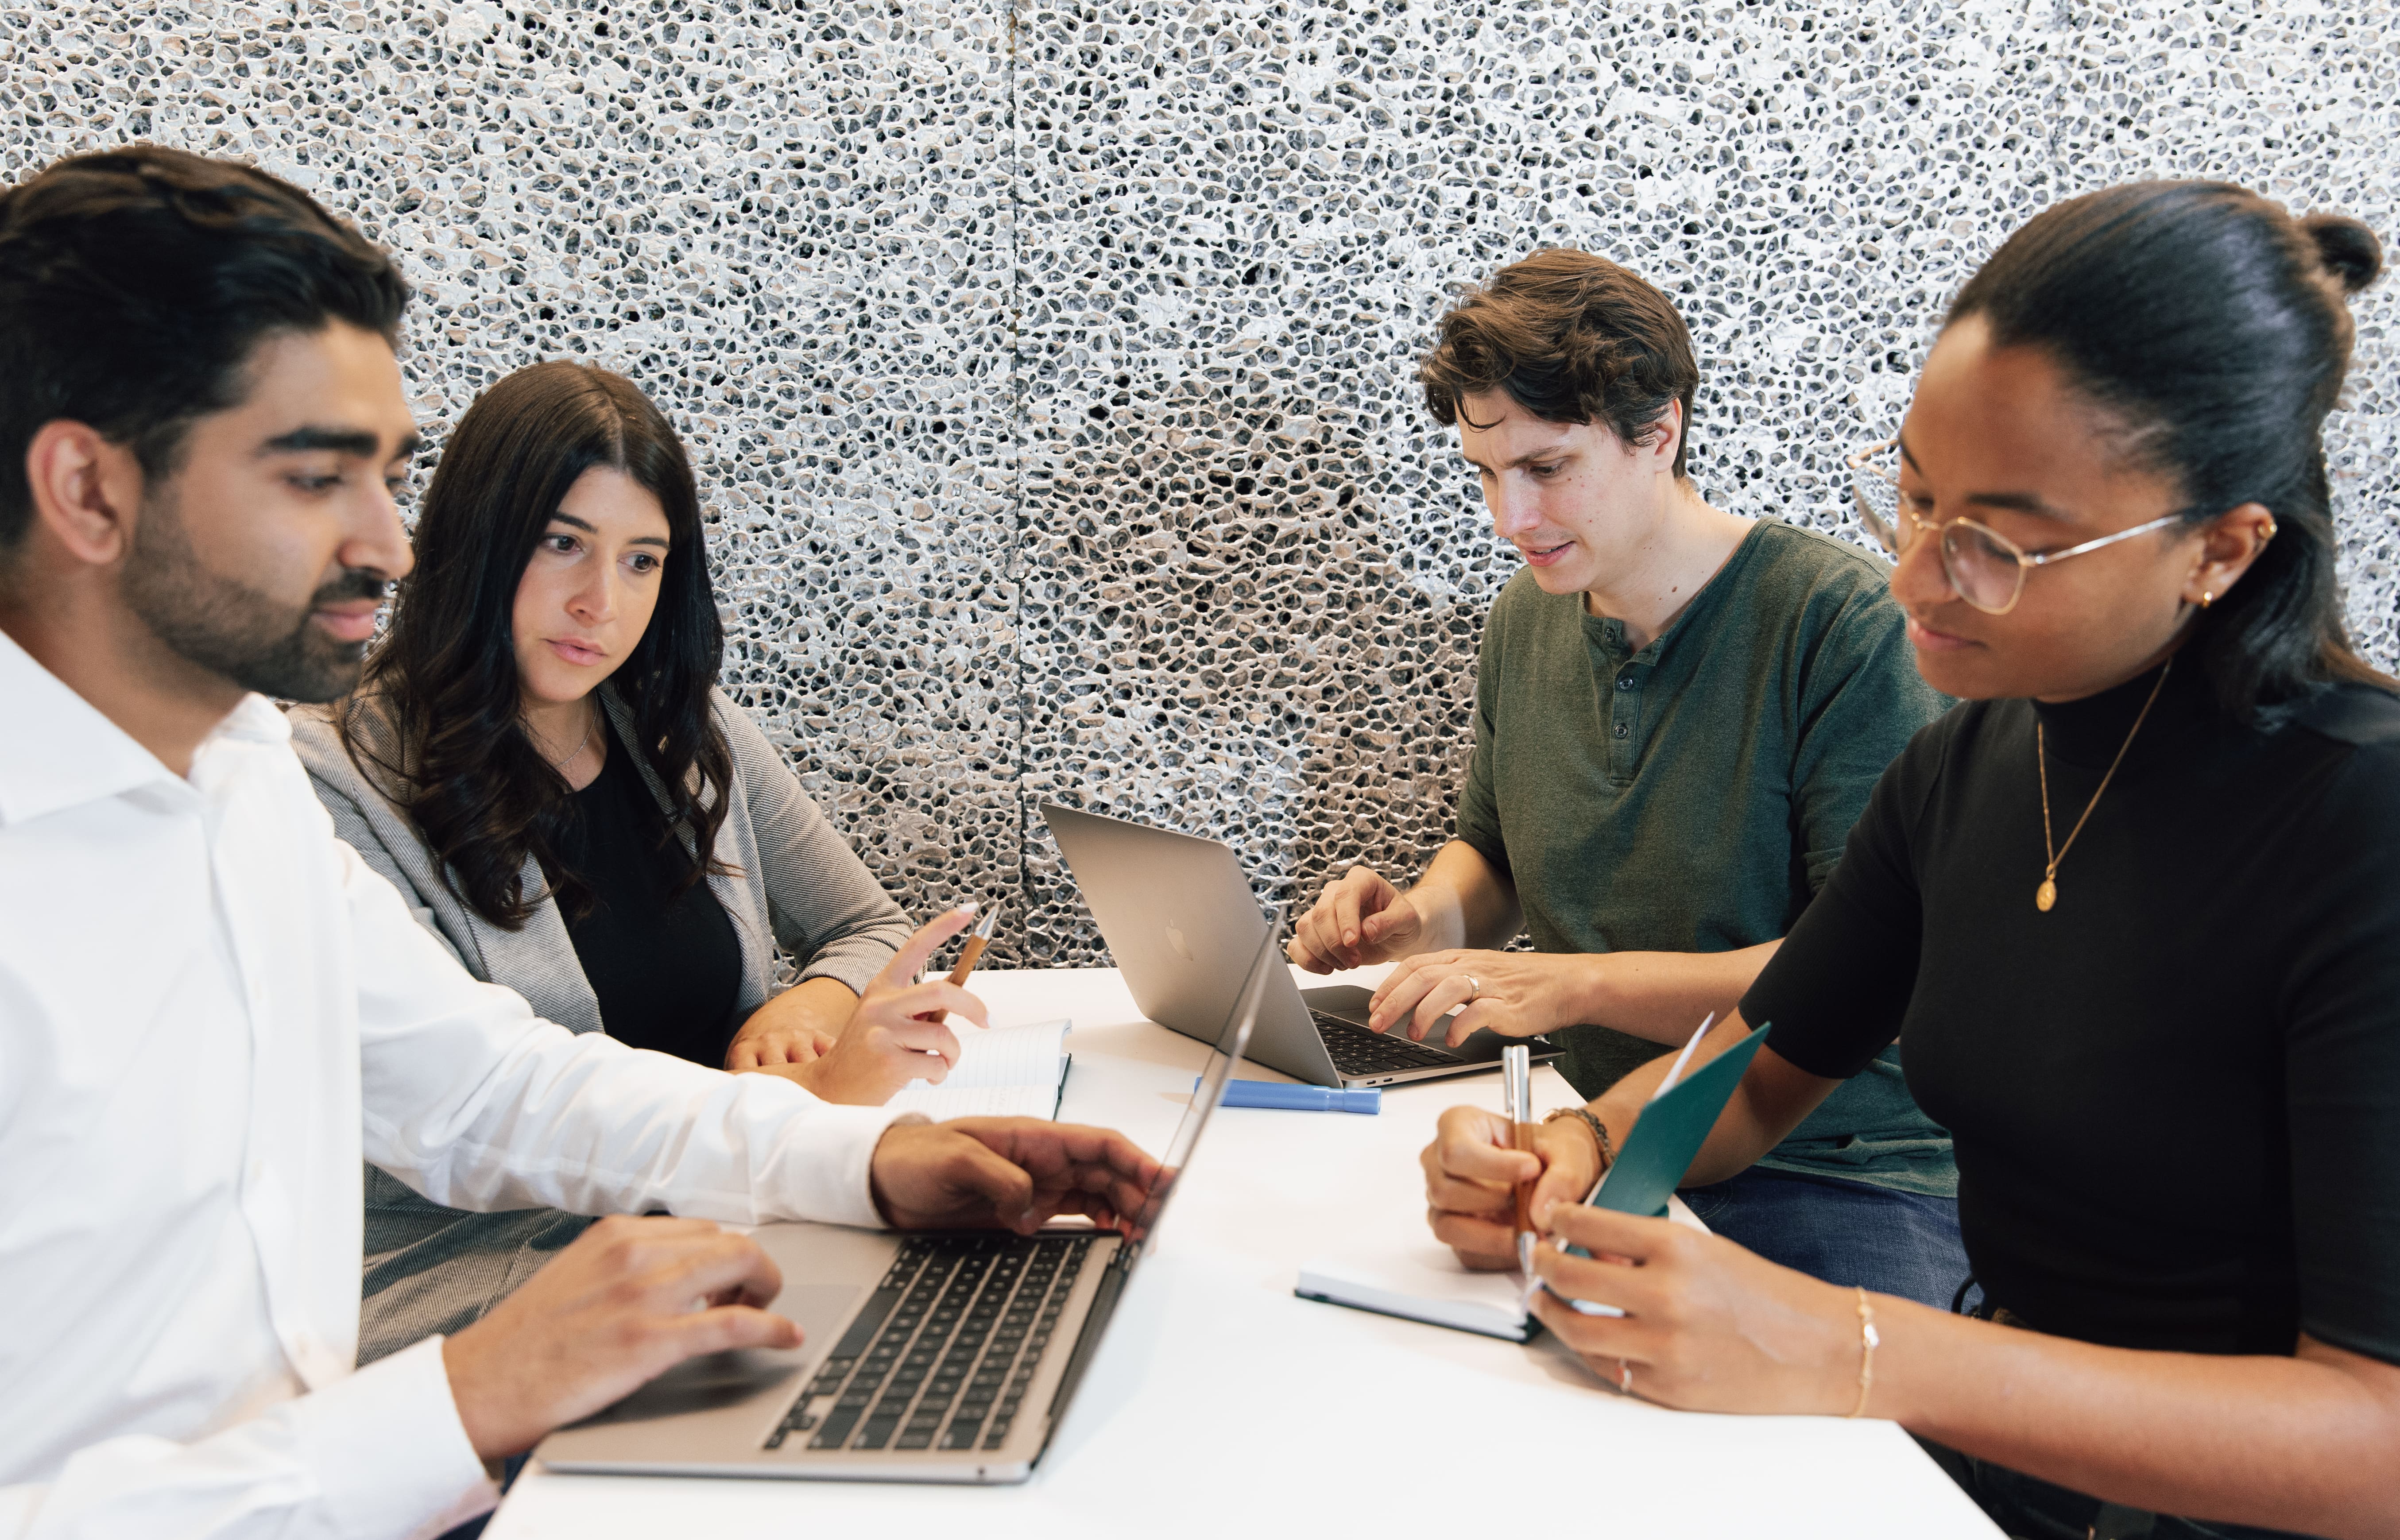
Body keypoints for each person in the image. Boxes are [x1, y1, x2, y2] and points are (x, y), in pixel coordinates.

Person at [0, 143, 1159, 1539]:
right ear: (88, 490)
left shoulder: (236, 771)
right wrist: (466, 1394)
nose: (391, 545)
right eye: (315, 479)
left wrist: (860, 1161)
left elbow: (486, 1087)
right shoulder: (286, 777)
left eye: (391, 477)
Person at [1424, 182, 2400, 1539]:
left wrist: (1852, 1347)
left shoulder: (2359, 820)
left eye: (1993, 543)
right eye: (1913, 497)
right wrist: (1576, 1147)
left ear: (2218, 550)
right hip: (2006, 1469)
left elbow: (2374, 1439)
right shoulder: (1973, 761)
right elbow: (1757, 1066)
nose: (1914, 580)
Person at [1292, 248, 1962, 1305]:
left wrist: (1571, 984)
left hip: (1831, 1166)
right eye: (1485, 473)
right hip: (1588, 1122)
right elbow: (1493, 856)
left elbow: (1862, 971)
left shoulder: (1842, 625)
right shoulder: (1527, 615)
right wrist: (1421, 920)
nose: (1509, 518)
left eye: (1546, 468)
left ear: (1660, 432)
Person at [286, 360, 959, 1363]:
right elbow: (479, 1117)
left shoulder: (679, 730)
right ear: (476, 539)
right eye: (563, 543)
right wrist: (804, 1110)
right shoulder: (337, 778)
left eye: (642, 560)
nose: (601, 602)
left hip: (735, 1220)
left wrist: (807, 1007)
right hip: (495, 1286)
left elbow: (865, 924)